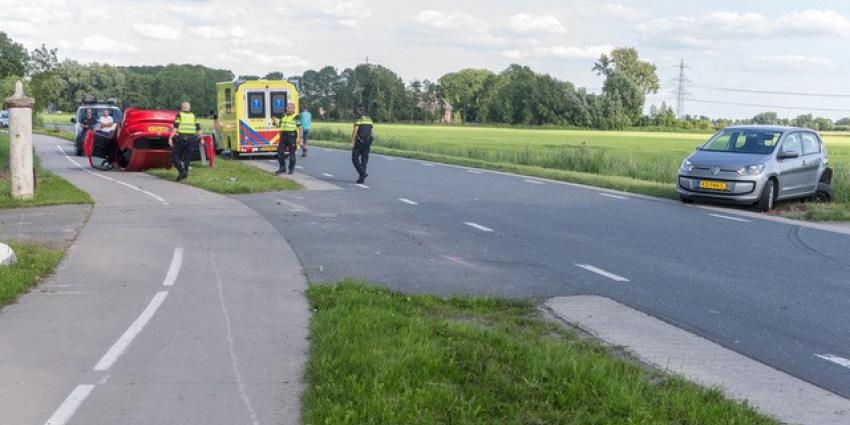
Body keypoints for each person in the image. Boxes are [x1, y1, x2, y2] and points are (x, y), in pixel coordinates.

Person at [168, 102, 202, 181]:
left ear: (182, 108)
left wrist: (170, 137)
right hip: (191, 139)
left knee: (175, 155)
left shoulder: (179, 115)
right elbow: (199, 128)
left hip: (181, 139)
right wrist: (201, 139)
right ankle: (185, 173)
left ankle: (181, 171)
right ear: (189, 108)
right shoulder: (193, 116)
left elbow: (175, 127)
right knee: (187, 157)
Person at [271, 102, 302, 175]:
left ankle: (291, 169)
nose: (289, 109)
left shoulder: (296, 116)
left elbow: (300, 127)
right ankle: (282, 168)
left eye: (291, 107)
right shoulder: (284, 115)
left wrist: (300, 138)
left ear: (294, 108)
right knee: (279, 153)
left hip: (292, 137)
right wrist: (275, 123)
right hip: (283, 137)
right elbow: (279, 126)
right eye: (288, 107)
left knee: (292, 154)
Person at [350, 104, 374, 184]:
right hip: (368, 142)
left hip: (359, 142)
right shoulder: (370, 119)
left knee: (354, 159)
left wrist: (352, 141)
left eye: (357, 110)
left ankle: (362, 173)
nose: (357, 111)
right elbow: (371, 132)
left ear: (359, 110)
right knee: (364, 161)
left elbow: (355, 131)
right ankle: (361, 178)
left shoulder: (359, 120)